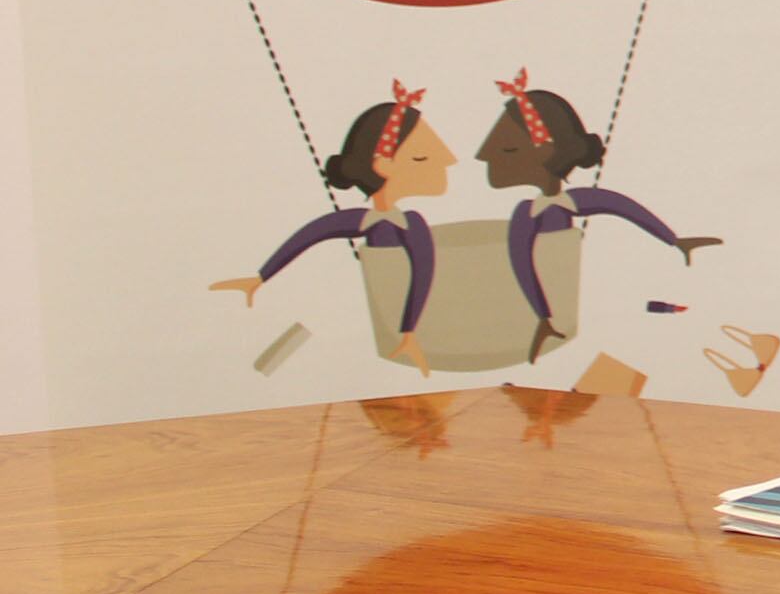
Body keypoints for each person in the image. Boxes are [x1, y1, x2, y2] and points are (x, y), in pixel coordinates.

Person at [474, 71, 718, 363]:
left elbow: (621, 206)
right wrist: (542, 315)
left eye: (508, 148)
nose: (484, 156)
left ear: (547, 152)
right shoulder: (528, 214)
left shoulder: (561, 205)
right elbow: (523, 268)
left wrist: (674, 240)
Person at [214, 81, 451, 376]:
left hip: (373, 319)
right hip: (348, 315)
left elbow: (423, 275)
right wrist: (261, 277)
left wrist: (408, 331)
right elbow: (311, 234)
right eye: (421, 157)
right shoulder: (369, 221)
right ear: (383, 165)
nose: (449, 160)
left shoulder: (410, 224)